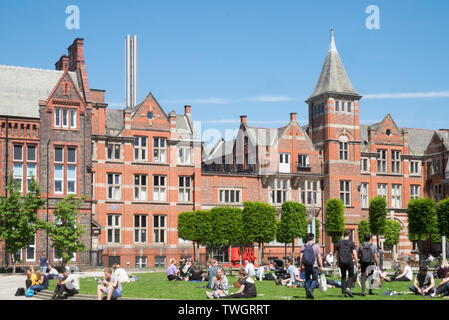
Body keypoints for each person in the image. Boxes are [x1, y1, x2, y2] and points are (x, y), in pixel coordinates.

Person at [299, 233, 323, 299]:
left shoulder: (303, 246)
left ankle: (308, 294)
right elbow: (319, 257)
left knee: (307, 280)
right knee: (315, 280)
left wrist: (301, 266)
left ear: (307, 238)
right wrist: (321, 266)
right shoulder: (316, 246)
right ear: (313, 238)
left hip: (306, 265)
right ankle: (311, 290)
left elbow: (301, 257)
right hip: (314, 265)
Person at [336, 230, 358, 298]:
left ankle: (343, 293)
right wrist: (356, 261)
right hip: (349, 261)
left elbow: (337, 254)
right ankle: (348, 288)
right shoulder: (351, 243)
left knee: (343, 277)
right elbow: (354, 253)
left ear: (343, 234)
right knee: (351, 276)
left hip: (342, 261)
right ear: (349, 234)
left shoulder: (339, 243)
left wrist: (338, 261)